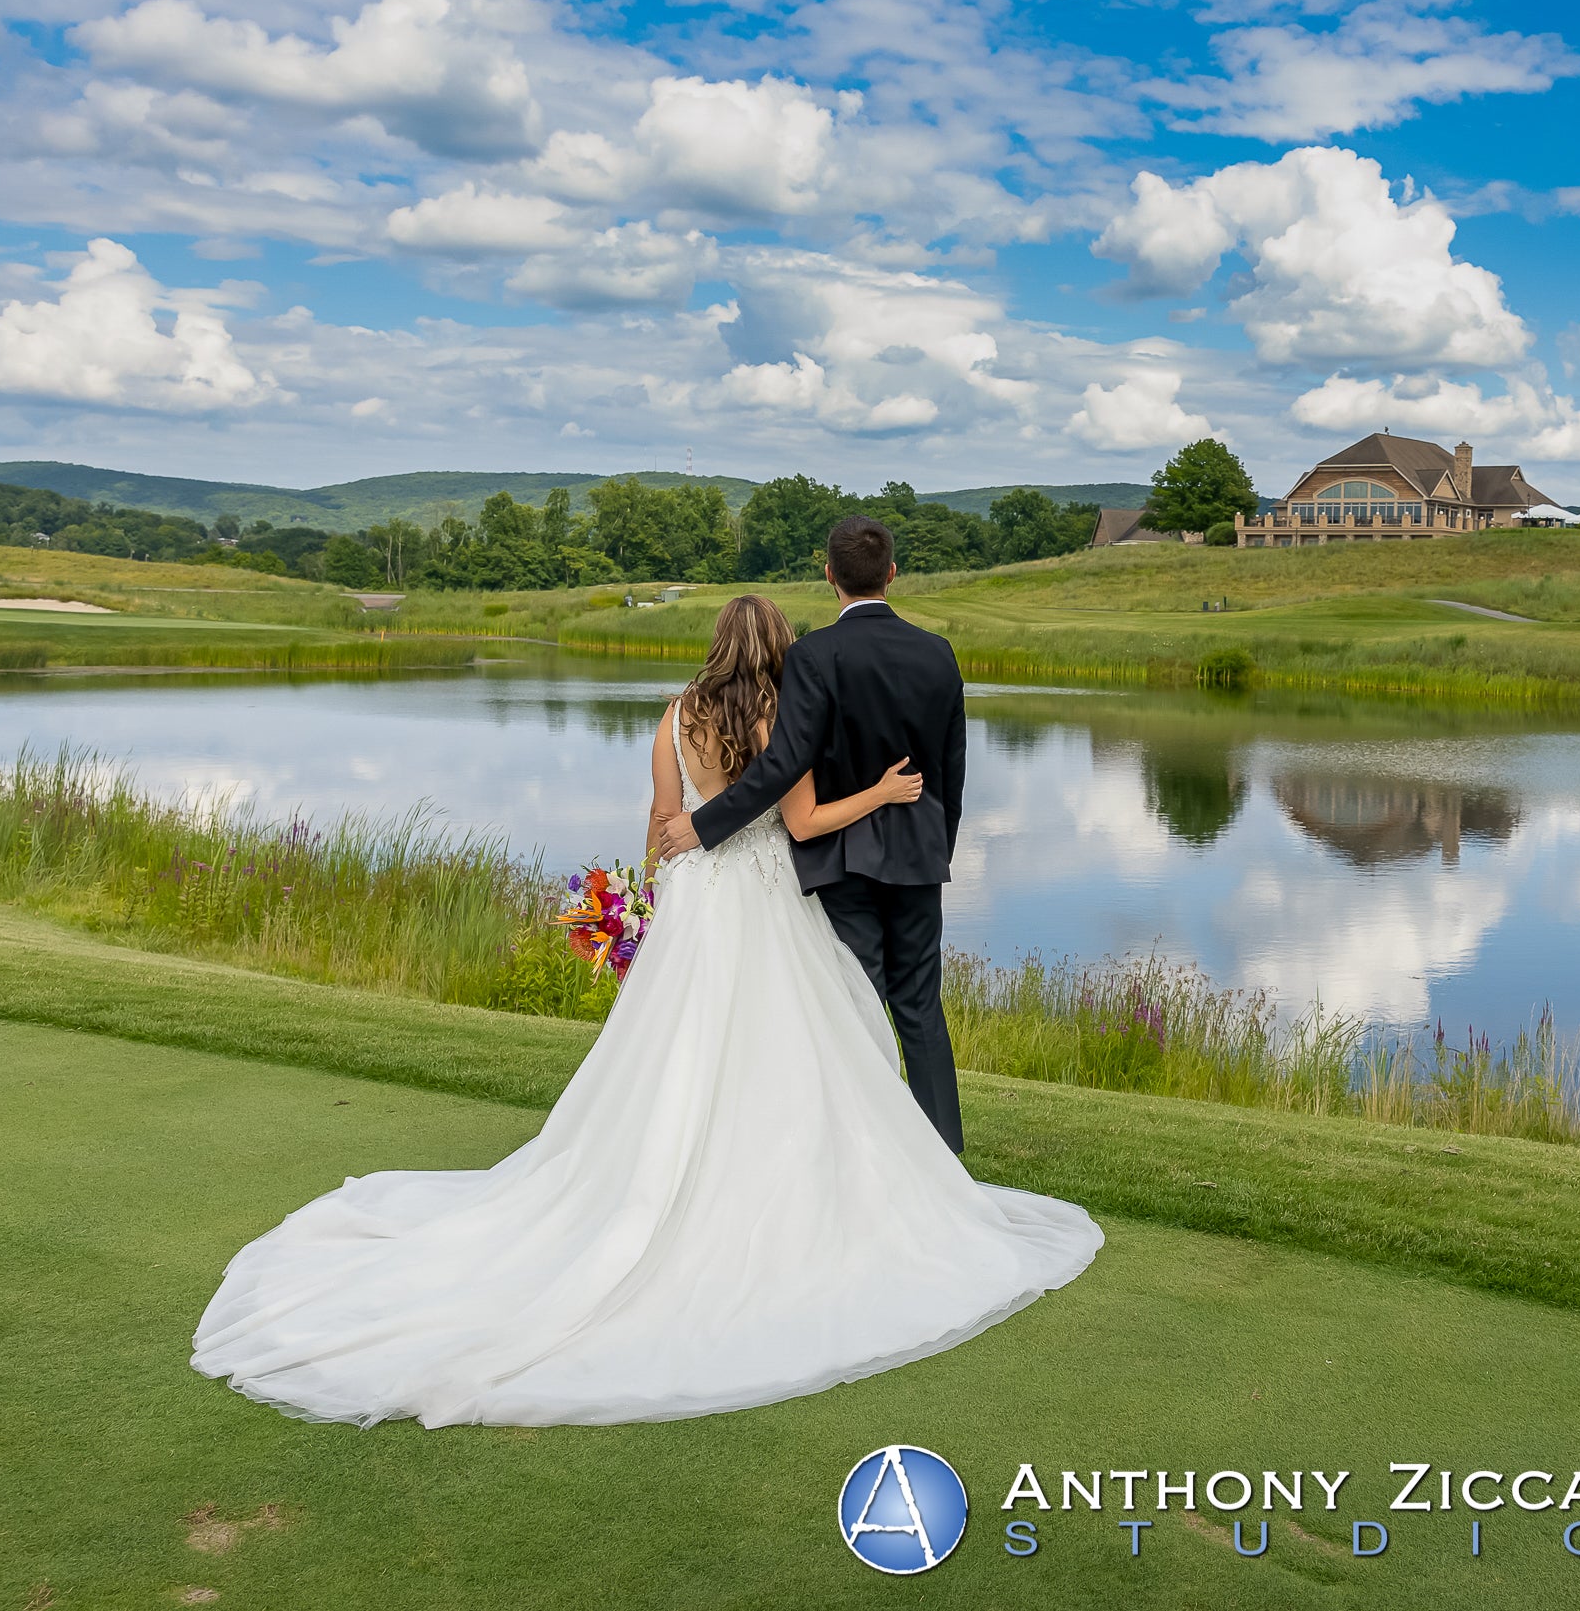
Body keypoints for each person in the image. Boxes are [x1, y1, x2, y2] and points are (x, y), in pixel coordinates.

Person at [191, 592, 1100, 1428]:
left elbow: (664, 824)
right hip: (765, 897)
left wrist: (641, 910)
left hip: (694, 901)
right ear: (779, 646)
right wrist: (888, 793)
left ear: (713, 644)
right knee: (793, 1047)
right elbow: (803, 823)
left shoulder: (673, 716)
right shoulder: (780, 712)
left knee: (682, 1050)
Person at [657, 515, 970, 1148]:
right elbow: (950, 773)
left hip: (841, 858)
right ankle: (942, 1161)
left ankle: (863, 1150)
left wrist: (704, 825)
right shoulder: (938, 654)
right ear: (892, 573)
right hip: (915, 858)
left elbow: (781, 764)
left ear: (829, 576)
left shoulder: (815, 654)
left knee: (855, 1006)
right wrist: (937, 845)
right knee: (920, 1010)